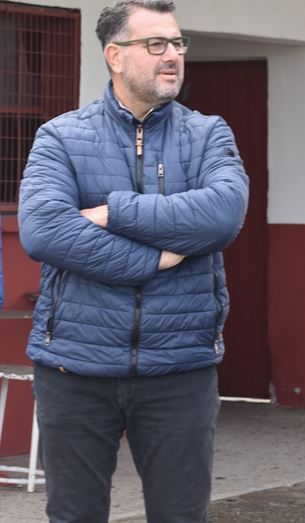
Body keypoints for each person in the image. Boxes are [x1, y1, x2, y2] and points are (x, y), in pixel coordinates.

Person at [18, 0, 248, 521]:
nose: (173, 56)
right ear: (115, 56)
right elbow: (45, 230)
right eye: (156, 44)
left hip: (180, 367)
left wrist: (112, 212)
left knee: (180, 516)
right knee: (74, 516)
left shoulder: (208, 134)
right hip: (75, 366)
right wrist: (155, 259)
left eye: (178, 43)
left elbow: (222, 216)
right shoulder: (61, 136)